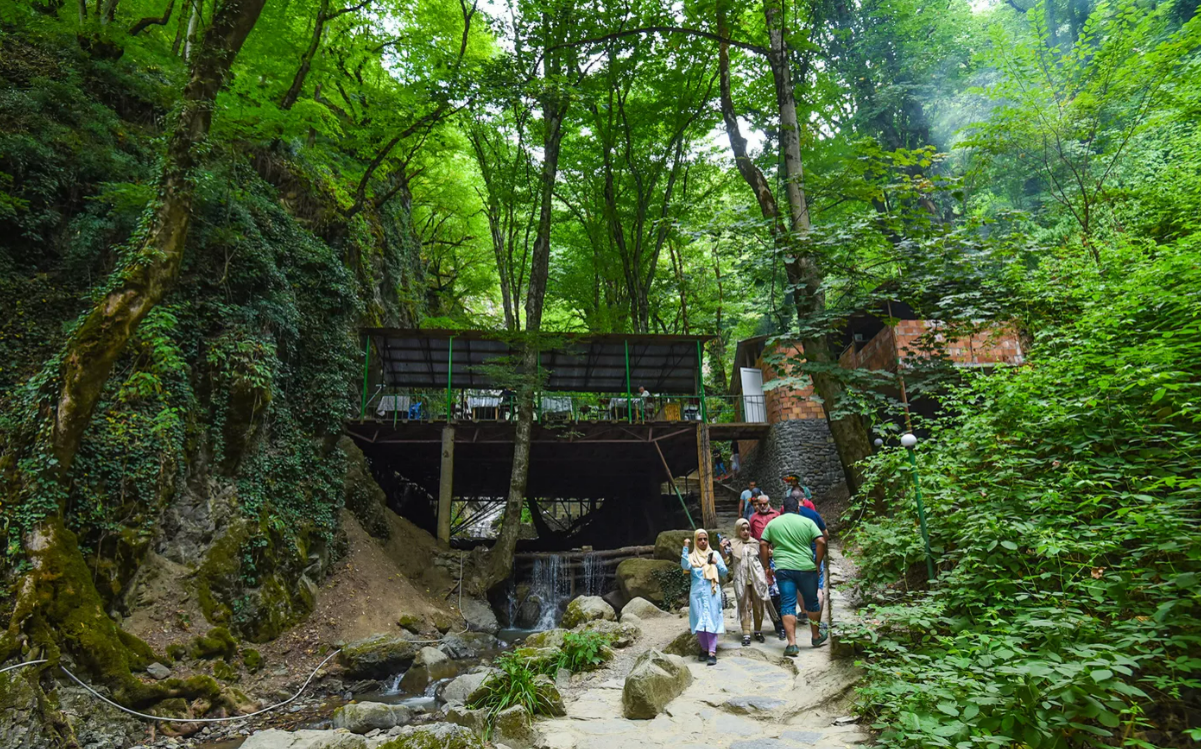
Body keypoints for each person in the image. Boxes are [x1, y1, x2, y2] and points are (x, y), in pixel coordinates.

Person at [761, 509, 828, 655]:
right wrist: (817, 563)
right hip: (806, 568)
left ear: (782, 510)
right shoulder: (808, 522)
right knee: (812, 602)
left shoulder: (773, 524)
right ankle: (816, 637)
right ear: (797, 509)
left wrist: (767, 566)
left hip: (783, 569)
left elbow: (763, 544)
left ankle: (792, 644)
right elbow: (821, 541)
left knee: (787, 603)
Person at [721, 518, 771, 646]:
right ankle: (746, 633)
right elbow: (727, 562)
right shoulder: (731, 544)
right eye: (742, 529)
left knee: (758, 605)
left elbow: (762, 560)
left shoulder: (755, 543)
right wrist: (723, 550)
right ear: (737, 530)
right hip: (741, 579)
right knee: (745, 605)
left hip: (756, 579)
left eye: (747, 529)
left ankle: (758, 631)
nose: (745, 531)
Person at [682, 528, 728, 665]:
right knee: (699, 621)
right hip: (697, 593)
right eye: (700, 539)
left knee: (712, 619)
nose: (703, 542)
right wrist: (685, 547)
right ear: (696, 541)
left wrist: (716, 562)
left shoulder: (715, 555)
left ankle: (712, 652)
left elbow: (724, 572)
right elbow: (684, 565)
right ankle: (704, 649)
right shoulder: (691, 557)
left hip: (712, 592)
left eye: (705, 539)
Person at [782, 495, 831, 616]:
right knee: (818, 588)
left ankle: (804, 612)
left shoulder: (786, 516)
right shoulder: (813, 514)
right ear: (803, 500)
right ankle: (817, 619)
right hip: (814, 553)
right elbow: (825, 534)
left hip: (797, 554)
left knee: (799, 585)